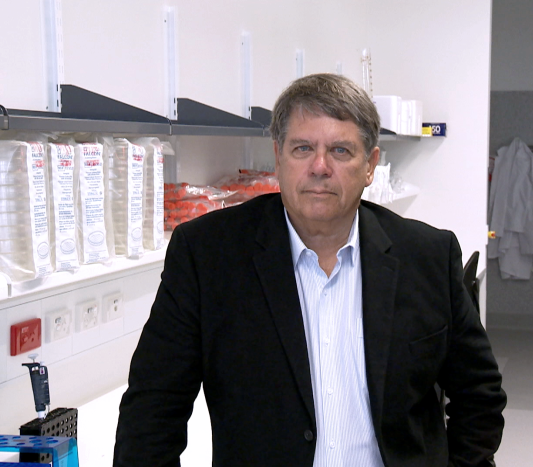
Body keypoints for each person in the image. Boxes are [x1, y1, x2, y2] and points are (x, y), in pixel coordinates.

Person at [113, 73, 506, 467]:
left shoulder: (427, 256)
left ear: (370, 165)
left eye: (340, 150)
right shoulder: (209, 256)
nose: (320, 167)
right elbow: (151, 412)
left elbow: (479, 395)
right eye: (303, 148)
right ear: (279, 156)